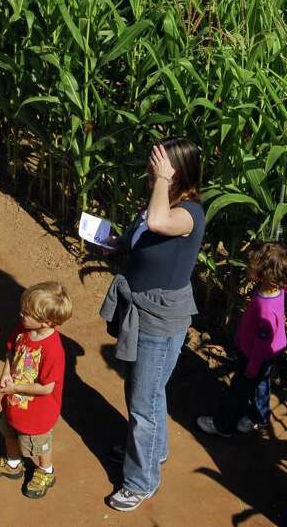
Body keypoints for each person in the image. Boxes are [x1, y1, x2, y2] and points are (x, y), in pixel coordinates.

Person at [98, 138, 205, 513]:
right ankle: (151, 450)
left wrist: (162, 180)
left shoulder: (189, 213)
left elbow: (159, 223)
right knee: (144, 390)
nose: (151, 170)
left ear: (178, 172)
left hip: (159, 319)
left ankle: (140, 482)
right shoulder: (161, 202)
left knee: (143, 402)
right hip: (139, 311)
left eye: (159, 165)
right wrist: (117, 243)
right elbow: (144, 233)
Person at [0, 281, 73, 499]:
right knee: (9, 431)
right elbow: (11, 352)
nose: (21, 314)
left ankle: (46, 471)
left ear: (46, 322)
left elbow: (47, 387)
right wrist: (6, 372)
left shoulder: (53, 350)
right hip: (14, 404)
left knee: (39, 444)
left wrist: (15, 387)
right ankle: (13, 464)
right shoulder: (23, 330)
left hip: (37, 413)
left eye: (27, 313)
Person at [196, 242, 287, 437]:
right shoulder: (278, 288)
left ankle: (224, 425)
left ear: (266, 274)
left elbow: (262, 343)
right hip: (268, 353)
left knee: (238, 391)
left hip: (255, 355)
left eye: (252, 266)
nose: (248, 267)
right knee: (261, 384)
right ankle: (259, 417)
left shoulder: (266, 309)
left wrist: (252, 367)